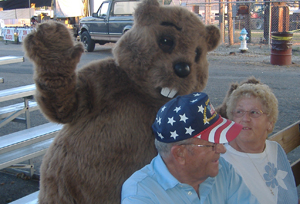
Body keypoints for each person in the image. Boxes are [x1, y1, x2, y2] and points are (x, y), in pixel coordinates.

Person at [121, 92, 260, 203]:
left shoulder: (223, 171)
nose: (222, 150)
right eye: (212, 144)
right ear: (180, 154)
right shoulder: (141, 194)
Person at [221, 83, 299, 204]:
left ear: (270, 123)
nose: (245, 118)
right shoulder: (222, 161)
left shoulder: (275, 150)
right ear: (232, 119)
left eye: (254, 112)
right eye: (239, 112)